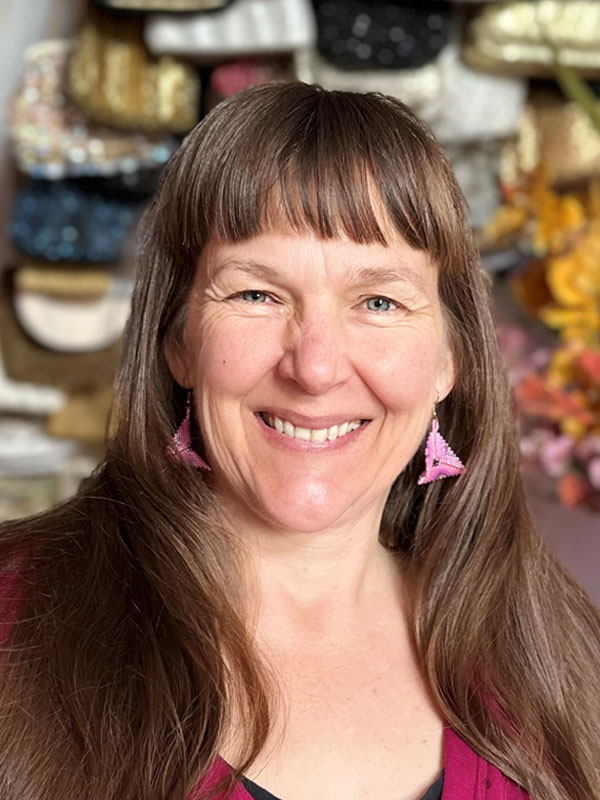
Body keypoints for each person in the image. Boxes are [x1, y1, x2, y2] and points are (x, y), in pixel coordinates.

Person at [0, 82, 599, 800]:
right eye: (256, 294)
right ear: (178, 341)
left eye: (378, 301)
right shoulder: (16, 625)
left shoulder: (562, 655)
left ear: (450, 360)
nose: (314, 367)